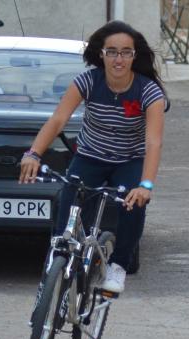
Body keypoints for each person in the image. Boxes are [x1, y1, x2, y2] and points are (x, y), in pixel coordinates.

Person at [19, 20, 167, 294]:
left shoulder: (148, 91)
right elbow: (58, 120)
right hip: (90, 157)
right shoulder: (87, 81)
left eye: (125, 52)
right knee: (68, 206)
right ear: (102, 54)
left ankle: (118, 265)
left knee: (134, 204)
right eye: (112, 52)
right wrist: (33, 153)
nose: (118, 59)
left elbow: (153, 142)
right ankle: (59, 261)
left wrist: (145, 185)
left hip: (129, 160)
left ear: (134, 56)